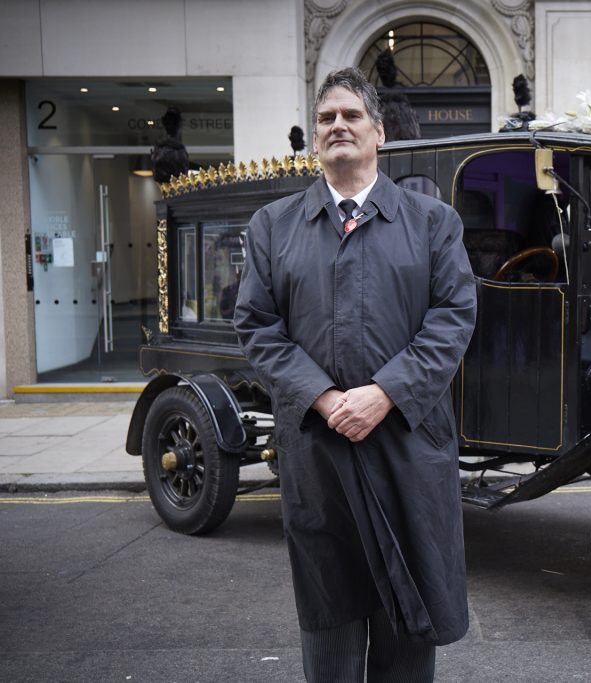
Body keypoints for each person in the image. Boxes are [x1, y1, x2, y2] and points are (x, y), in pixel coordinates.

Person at [233, 67, 477, 682]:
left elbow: (453, 317)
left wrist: (385, 393)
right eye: (325, 118)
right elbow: (257, 325)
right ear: (316, 137)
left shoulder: (431, 223)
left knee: (407, 623)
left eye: (351, 116)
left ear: (379, 133)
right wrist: (322, 397)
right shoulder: (273, 226)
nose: (337, 126)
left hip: (406, 448)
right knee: (331, 623)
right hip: (320, 453)